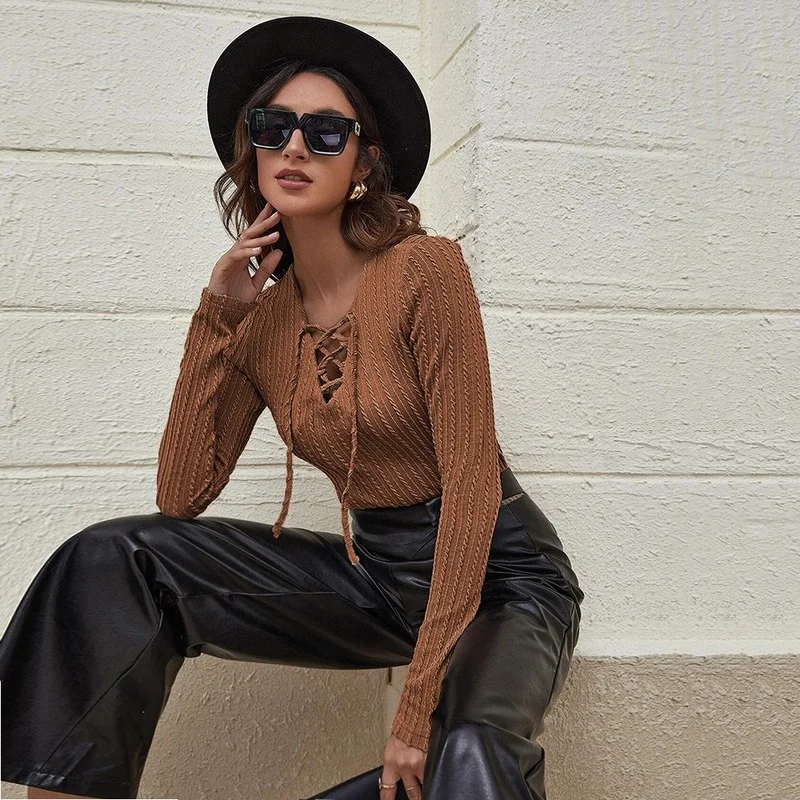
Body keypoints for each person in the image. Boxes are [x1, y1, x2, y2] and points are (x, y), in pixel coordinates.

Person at [0, 16, 585, 800]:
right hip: (379, 576)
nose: (296, 148)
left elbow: (472, 484)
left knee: (468, 747)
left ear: (365, 163)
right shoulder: (263, 324)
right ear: (253, 151)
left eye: (326, 131)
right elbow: (181, 494)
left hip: (501, 579)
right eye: (273, 128)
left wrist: (417, 710)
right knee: (115, 558)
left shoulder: (425, 271)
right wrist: (218, 315)